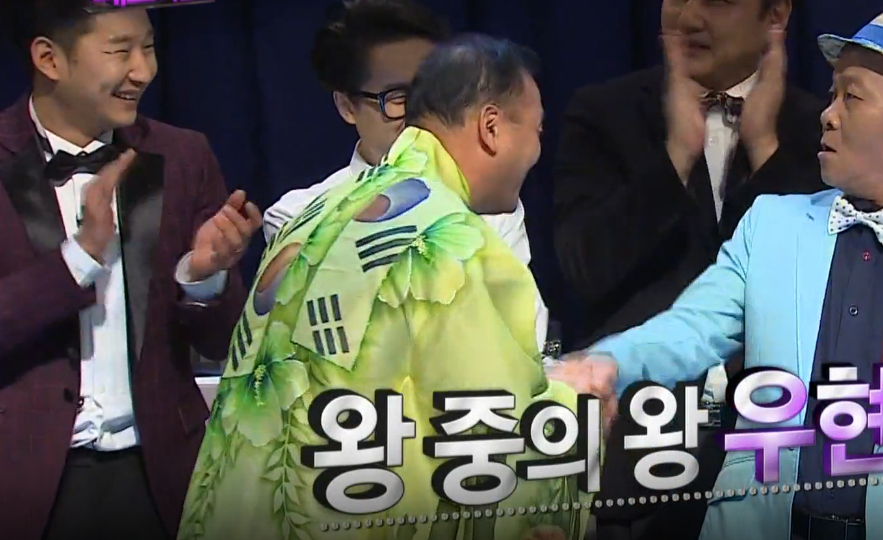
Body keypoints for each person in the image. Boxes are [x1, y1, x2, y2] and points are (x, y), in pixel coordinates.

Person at [554, 0, 883, 540]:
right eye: (832, 94)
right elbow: (691, 329)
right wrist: (608, 362)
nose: (827, 114)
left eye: (852, 97)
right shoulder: (773, 225)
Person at [178, 35, 593, 540]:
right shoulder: (451, 241)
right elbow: (489, 436)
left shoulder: (313, 214)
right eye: (537, 129)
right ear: (491, 127)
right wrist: (576, 401)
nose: (537, 151)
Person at [553, 0, 826, 540]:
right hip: (635, 455)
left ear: (776, 14)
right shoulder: (604, 113)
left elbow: (813, 287)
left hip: (773, 455)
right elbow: (583, 271)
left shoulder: (818, 129)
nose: (688, 16)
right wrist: (675, 156)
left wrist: (766, 152)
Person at [0, 0, 260, 540]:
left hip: (161, 476)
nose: (144, 70)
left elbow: (227, 341)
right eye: (120, 51)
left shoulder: (183, 155)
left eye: (148, 46)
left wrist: (203, 277)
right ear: (49, 59)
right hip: (27, 483)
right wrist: (79, 259)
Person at [263, 0, 552, 355]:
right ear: (347, 106)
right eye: (399, 97)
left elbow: (525, 337)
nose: (421, 113)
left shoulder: (492, 204)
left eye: (431, 93)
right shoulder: (298, 216)